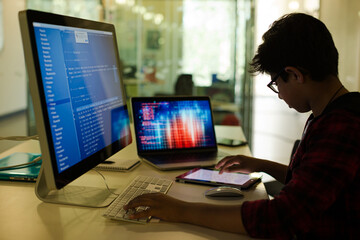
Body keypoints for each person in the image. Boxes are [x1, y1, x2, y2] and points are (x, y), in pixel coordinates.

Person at [124, 13, 360, 239]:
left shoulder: (342, 126)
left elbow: (283, 217)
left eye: (276, 84)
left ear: (295, 75)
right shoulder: (330, 113)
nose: (279, 95)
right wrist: (260, 164)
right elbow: (311, 183)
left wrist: (182, 211)